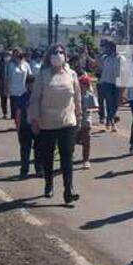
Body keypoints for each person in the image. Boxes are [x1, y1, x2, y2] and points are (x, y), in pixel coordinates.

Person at [28, 43, 82, 204]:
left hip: (67, 121)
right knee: (48, 155)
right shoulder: (43, 75)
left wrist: (79, 116)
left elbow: (77, 97)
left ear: (65, 55)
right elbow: (35, 98)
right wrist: (35, 119)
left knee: (67, 155)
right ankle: (49, 184)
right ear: (49, 56)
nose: (58, 55)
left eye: (61, 52)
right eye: (55, 52)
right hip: (47, 122)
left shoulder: (71, 74)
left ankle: (68, 189)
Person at [16, 75, 39, 179]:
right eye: (30, 84)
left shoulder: (40, 97)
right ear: (27, 85)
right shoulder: (22, 97)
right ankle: (24, 170)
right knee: (25, 150)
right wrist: (18, 127)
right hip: (25, 127)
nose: (32, 86)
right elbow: (19, 114)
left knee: (39, 150)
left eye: (34, 84)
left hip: (38, 127)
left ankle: (39, 169)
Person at [98, 41, 124, 132]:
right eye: (108, 48)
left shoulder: (121, 58)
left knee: (115, 104)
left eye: (111, 47)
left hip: (117, 83)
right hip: (106, 83)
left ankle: (110, 120)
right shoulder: (105, 58)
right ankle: (111, 122)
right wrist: (103, 53)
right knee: (109, 102)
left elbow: (123, 72)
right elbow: (96, 63)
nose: (109, 49)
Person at [6, 48, 32, 130]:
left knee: (24, 109)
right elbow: (8, 77)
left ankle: (22, 124)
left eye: (20, 56)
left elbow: (30, 76)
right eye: (17, 56)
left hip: (24, 90)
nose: (19, 58)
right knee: (16, 109)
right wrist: (7, 88)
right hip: (13, 91)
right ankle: (17, 124)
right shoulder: (10, 65)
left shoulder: (26, 65)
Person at [77, 74, 98, 169]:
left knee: (86, 141)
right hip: (75, 121)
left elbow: (96, 108)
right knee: (72, 141)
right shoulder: (75, 95)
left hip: (86, 121)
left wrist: (89, 109)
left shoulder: (90, 96)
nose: (82, 86)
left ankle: (86, 160)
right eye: (81, 84)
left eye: (84, 84)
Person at [0, 50, 11, 119]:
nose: (7, 57)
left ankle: (13, 113)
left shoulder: (12, 64)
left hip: (11, 84)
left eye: (8, 56)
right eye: (5, 56)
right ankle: (5, 113)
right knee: (3, 99)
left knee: (12, 99)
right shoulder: (0, 64)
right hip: (3, 84)